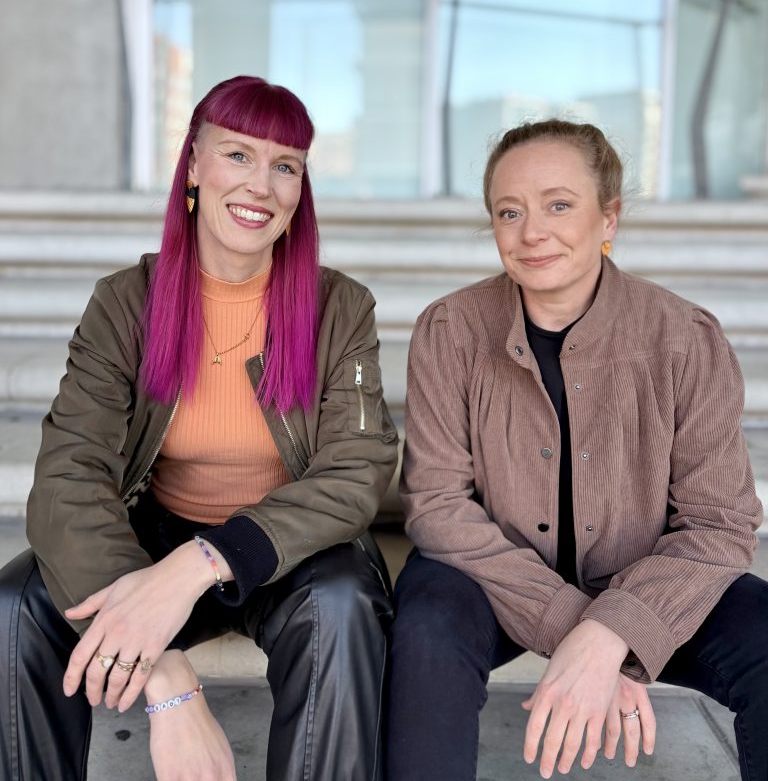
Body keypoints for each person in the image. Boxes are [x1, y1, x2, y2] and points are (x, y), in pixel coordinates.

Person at [0, 75, 398, 781]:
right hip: (154, 533)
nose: (262, 186)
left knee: (342, 607)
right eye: (238, 155)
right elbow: (69, 476)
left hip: (289, 545)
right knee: (15, 608)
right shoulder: (126, 303)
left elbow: (357, 471)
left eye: (285, 166)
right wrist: (164, 677)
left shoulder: (341, 307)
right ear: (192, 165)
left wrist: (205, 560)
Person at [386, 120, 766, 781]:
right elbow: (437, 506)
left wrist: (614, 632)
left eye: (559, 205)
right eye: (510, 212)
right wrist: (577, 628)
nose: (533, 232)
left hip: (649, 581)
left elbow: (720, 525)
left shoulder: (685, 338)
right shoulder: (450, 330)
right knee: (425, 625)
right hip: (495, 583)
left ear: (608, 217)